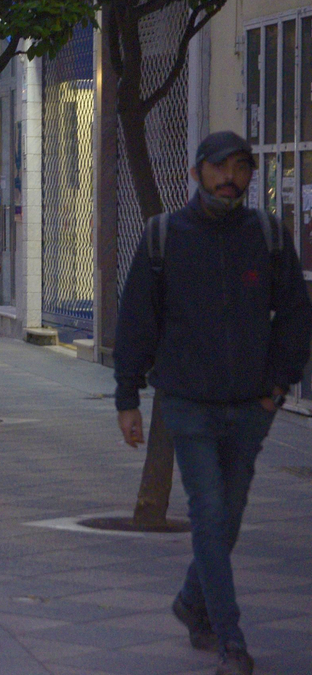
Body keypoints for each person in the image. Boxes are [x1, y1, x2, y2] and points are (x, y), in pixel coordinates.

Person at [115, 131, 312, 675]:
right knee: (208, 513)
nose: (231, 177)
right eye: (220, 167)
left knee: (228, 520)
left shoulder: (269, 236)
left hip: (251, 406)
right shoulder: (163, 237)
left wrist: (277, 387)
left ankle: (190, 604)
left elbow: (296, 316)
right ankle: (231, 640)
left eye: (242, 168)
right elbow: (135, 321)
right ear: (197, 172)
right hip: (188, 403)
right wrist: (127, 397)